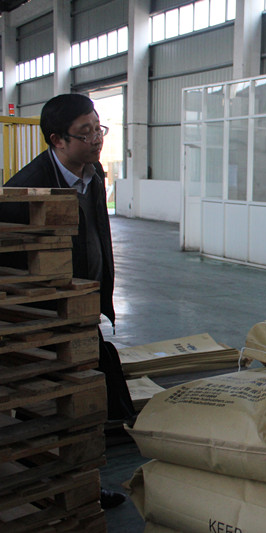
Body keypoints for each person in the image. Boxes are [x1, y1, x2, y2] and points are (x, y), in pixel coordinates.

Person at [2, 93, 133, 509]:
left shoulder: (92, 174)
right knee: (44, 407)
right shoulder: (26, 189)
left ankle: (82, 486)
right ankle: (40, 487)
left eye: (98, 128)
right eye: (85, 132)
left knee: (82, 408)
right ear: (57, 140)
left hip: (82, 310)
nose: (97, 139)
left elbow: (96, 237)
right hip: (42, 320)